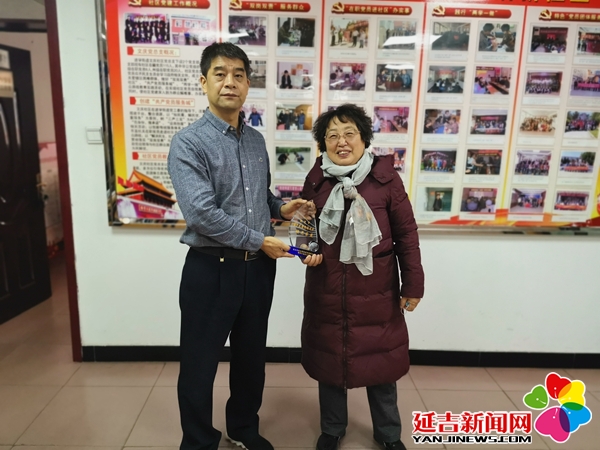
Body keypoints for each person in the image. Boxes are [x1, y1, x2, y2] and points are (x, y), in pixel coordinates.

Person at [167, 42, 306, 450]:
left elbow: (257, 198)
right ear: (204, 82)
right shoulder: (188, 143)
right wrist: (259, 240)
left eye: (239, 75)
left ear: (247, 84)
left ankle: (243, 428)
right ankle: (198, 441)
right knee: (199, 364)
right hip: (211, 269)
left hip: (258, 269)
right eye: (220, 74)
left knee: (250, 359)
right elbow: (201, 214)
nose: (230, 82)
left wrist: (281, 207)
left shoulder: (256, 141)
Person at [299, 104, 425, 450]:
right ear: (323, 143)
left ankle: (388, 434)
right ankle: (332, 429)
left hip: (377, 291)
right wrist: (305, 250)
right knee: (330, 363)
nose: (341, 141)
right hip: (327, 290)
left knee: (381, 366)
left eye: (349, 133)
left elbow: (407, 235)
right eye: (332, 135)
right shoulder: (316, 180)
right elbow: (305, 229)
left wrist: (413, 285)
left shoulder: (386, 180)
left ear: (364, 138)